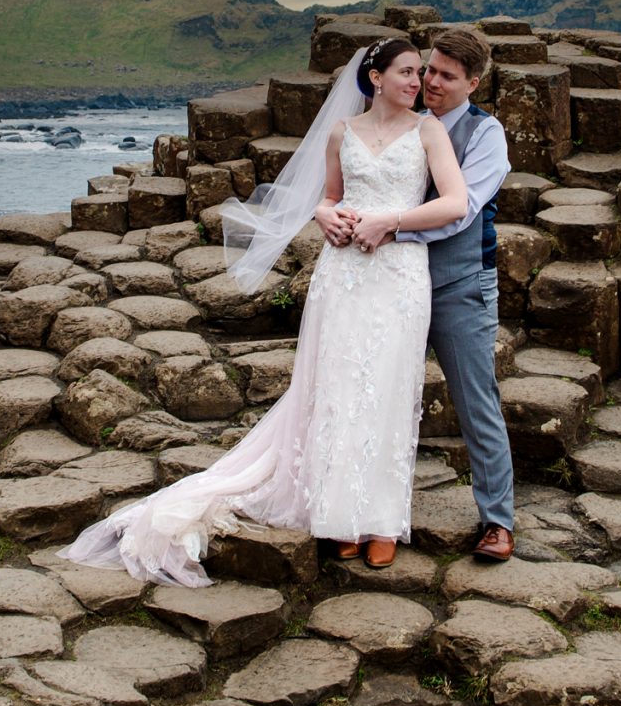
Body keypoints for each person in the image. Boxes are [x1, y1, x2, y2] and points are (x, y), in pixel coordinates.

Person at [61, 38, 470, 583]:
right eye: (406, 71)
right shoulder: (341, 132)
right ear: (374, 77)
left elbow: (455, 202)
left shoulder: (428, 131)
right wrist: (325, 217)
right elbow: (328, 197)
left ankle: (381, 523)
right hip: (343, 273)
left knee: (389, 387)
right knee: (340, 386)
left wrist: (389, 220)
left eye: (419, 73)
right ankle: (340, 516)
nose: (417, 82)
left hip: (398, 274)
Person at [341, 28, 516, 561]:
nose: (430, 82)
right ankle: (364, 514)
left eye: (445, 76)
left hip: (457, 284)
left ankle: (497, 521)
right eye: (428, 70)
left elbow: (459, 212)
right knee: (374, 395)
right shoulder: (396, 121)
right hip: (389, 283)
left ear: (474, 83)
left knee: (474, 398)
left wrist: (392, 227)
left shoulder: (486, 135)